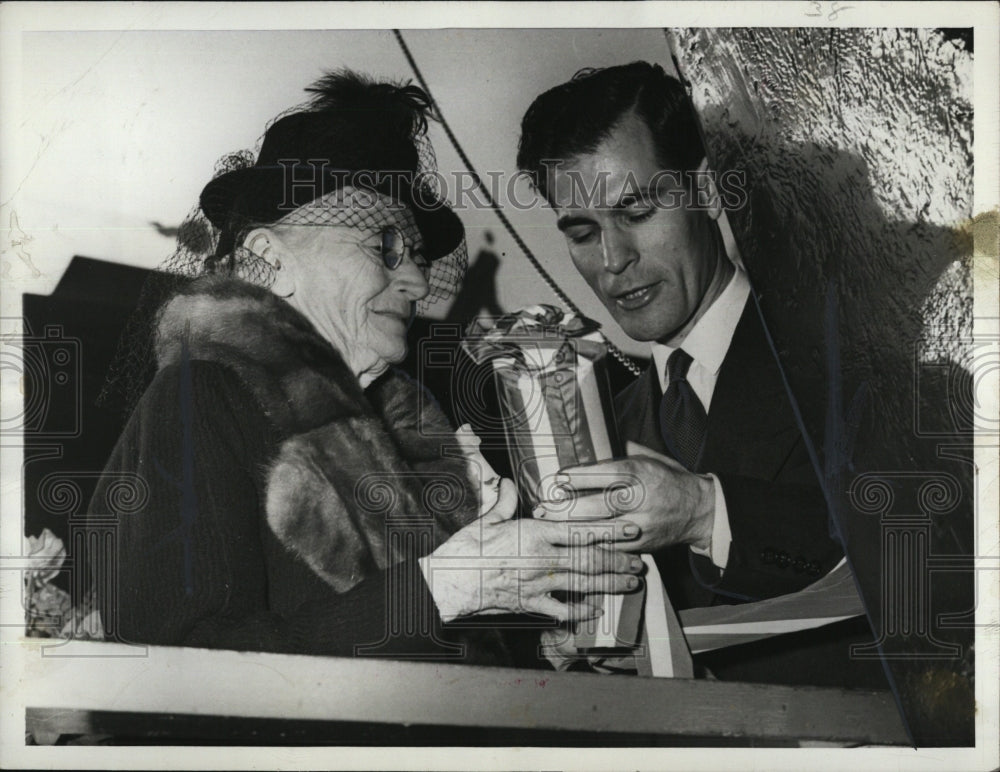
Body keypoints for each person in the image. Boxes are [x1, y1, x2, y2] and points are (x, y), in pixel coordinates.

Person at [88, 70, 643, 665]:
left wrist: (543, 648)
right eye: (383, 247)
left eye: (416, 256)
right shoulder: (199, 399)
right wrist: (447, 586)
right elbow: (178, 665)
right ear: (269, 260)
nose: (417, 281)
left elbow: (413, 655)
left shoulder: (407, 433)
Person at [517, 61, 883, 686]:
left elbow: (921, 557)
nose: (612, 260)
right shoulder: (607, 428)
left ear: (707, 191)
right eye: (582, 232)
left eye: (636, 211)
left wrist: (703, 511)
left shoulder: (854, 356)